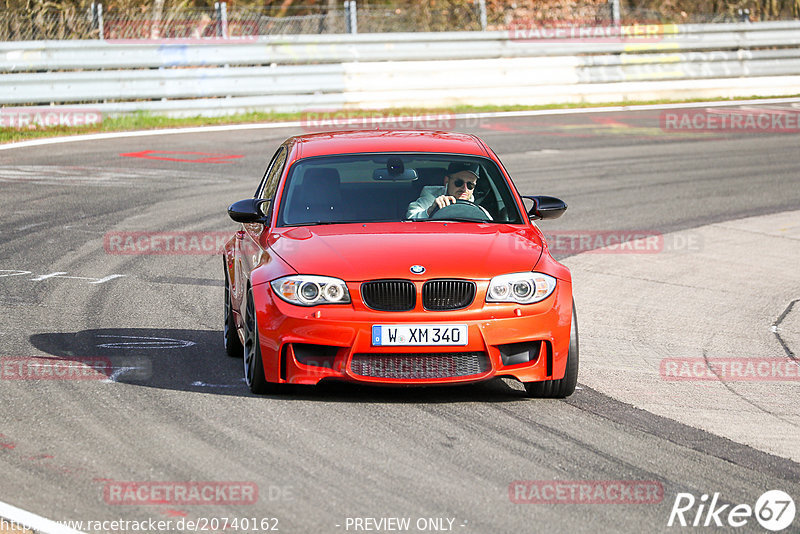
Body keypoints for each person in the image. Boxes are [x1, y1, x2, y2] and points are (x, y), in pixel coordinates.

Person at [406, 162, 480, 220]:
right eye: (459, 183)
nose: (464, 189)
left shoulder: (478, 209)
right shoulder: (431, 197)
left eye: (470, 185)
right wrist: (430, 211)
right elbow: (411, 217)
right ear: (447, 181)